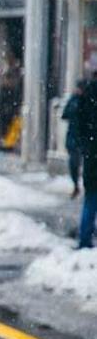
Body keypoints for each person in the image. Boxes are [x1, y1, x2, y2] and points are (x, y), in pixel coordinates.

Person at [77, 80, 97, 249]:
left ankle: (84, 239)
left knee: (90, 199)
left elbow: (80, 124)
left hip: (91, 155)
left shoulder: (87, 96)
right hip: (91, 152)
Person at [63, 80, 86, 199]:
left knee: (84, 164)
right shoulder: (73, 100)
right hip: (74, 137)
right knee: (74, 163)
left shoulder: (86, 101)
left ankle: (84, 186)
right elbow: (65, 115)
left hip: (83, 137)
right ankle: (76, 185)